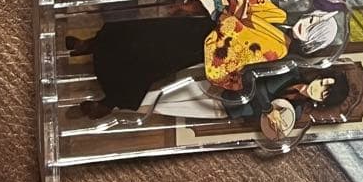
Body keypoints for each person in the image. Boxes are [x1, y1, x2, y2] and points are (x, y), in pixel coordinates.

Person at [65, 0, 342, 114]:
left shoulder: (278, 49)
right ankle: (90, 44)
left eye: (313, 28)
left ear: (311, 43)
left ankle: (110, 102)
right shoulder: (280, 17)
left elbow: (237, 44)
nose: (307, 22)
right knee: (139, 29)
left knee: (147, 58)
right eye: (312, 19)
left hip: (203, 45)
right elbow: (248, 0)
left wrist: (223, 12)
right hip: (200, 26)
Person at [140, 64, 351, 138]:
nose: (318, 88)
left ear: (322, 102)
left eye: (323, 93)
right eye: (323, 82)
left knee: (159, 107)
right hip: (219, 83)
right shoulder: (289, 72)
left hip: (222, 108)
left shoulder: (292, 113)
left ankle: (128, 110)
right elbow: (255, 81)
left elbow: (265, 126)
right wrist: (268, 108)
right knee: (162, 88)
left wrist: (269, 117)